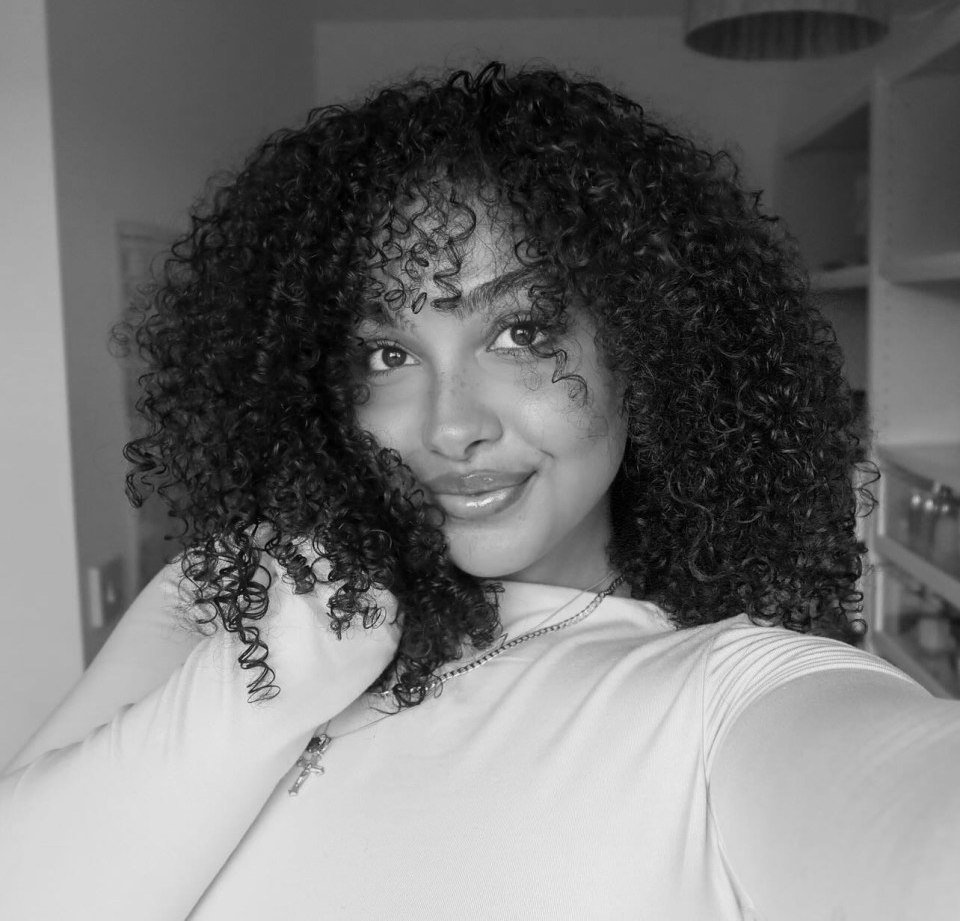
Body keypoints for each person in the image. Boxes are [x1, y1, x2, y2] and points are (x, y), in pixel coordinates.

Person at [1, 61, 958, 921]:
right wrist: (272, 680)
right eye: (385, 353)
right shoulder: (228, 598)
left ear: (645, 350)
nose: (451, 424)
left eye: (522, 335)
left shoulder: (722, 698)